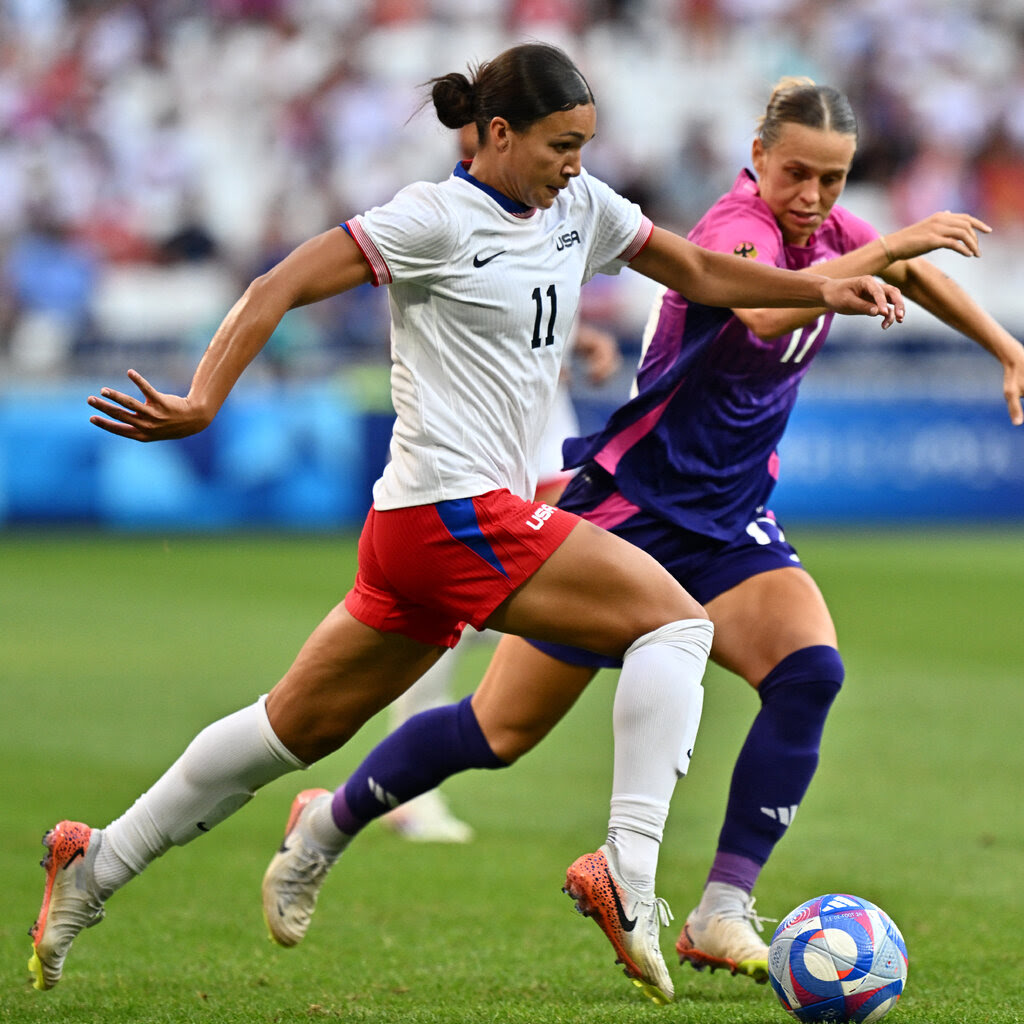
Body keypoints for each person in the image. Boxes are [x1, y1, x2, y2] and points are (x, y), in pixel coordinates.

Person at [28, 46, 903, 1005]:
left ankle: (96, 863)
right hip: (455, 512)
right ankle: (631, 869)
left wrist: (821, 287)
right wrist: (203, 400)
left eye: (586, 146)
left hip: (422, 529)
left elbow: (696, 270)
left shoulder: (580, 208)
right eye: (561, 145)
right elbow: (277, 283)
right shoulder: (430, 219)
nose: (577, 163)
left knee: (290, 731)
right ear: (496, 134)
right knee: (677, 624)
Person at [250, 74, 1024, 1001]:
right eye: (798, 175)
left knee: (810, 672)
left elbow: (901, 270)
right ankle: (326, 822)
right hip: (635, 515)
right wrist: (891, 243)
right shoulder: (737, 226)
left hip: (732, 520)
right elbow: (772, 307)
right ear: (758, 159)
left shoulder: (832, 234)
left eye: (834, 179)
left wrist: (1005, 348)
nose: (815, 197)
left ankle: (720, 909)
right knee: (497, 732)